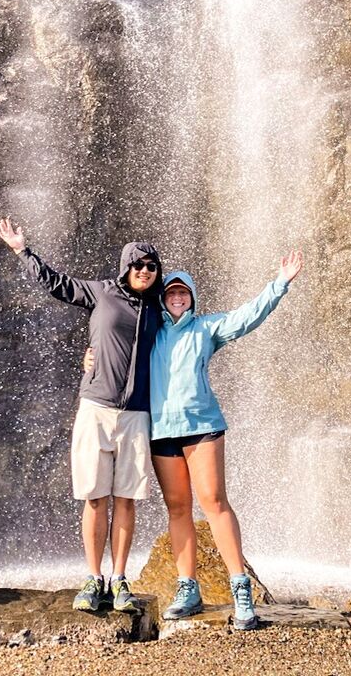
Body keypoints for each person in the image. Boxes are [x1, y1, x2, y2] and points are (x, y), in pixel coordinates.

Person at [85, 249, 302, 630]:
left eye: (184, 293)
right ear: (163, 298)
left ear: (193, 298)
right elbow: (116, 346)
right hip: (162, 432)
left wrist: (279, 284)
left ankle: (240, 589)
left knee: (215, 503)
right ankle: (189, 588)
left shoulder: (207, 328)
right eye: (171, 293)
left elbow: (246, 318)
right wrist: (90, 359)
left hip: (202, 427)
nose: (177, 297)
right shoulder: (149, 331)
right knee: (179, 510)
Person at [0, 218, 163, 614]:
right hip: (96, 408)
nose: (143, 270)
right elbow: (57, 283)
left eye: (150, 266)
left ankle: (120, 578)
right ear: (125, 267)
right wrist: (23, 251)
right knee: (94, 497)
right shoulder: (101, 293)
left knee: (126, 500)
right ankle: (93, 576)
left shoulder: (161, 308)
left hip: (137, 413)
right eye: (136, 264)